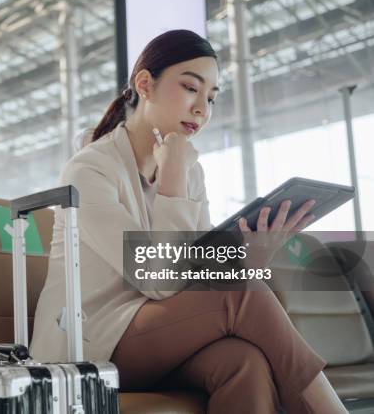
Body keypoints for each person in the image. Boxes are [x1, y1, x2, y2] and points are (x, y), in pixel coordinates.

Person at [29, 30, 348, 413]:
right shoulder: (88, 171)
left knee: (243, 361)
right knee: (238, 291)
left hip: (155, 334)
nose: (202, 108)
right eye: (190, 88)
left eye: (211, 97)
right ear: (145, 84)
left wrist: (253, 257)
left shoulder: (191, 172)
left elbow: (196, 273)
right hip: (88, 344)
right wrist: (173, 179)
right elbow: (162, 280)